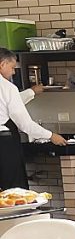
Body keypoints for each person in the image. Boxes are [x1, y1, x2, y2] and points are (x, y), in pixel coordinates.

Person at [0, 48, 65, 190]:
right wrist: (51, 135)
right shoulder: (7, 87)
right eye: (12, 67)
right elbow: (25, 124)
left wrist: (31, 92)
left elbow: (7, 105)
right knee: (13, 190)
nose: (13, 72)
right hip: (4, 143)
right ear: (2, 64)